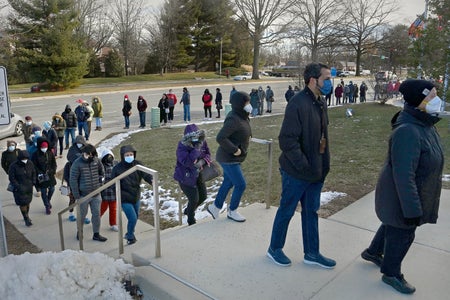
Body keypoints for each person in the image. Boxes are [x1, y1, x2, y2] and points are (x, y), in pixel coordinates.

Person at [361, 79, 444, 294]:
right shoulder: (408, 131)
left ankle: (373, 252)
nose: (437, 100)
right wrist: (412, 210)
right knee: (403, 232)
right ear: (418, 101)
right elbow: (403, 176)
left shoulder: (424, 123)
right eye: (431, 96)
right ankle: (391, 273)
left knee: (392, 224)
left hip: (402, 195)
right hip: (401, 197)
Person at [267, 62, 335, 269]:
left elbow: (322, 136)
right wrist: (304, 165)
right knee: (286, 211)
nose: (329, 82)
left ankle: (312, 253)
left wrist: (323, 165)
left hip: (316, 171)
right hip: (296, 172)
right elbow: (287, 140)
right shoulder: (298, 103)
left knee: (311, 212)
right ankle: (275, 249)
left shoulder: (320, 102)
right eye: (326, 79)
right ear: (313, 80)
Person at [207, 91, 252, 222]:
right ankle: (232, 211)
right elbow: (220, 137)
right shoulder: (234, 119)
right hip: (228, 158)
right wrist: (235, 150)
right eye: (247, 102)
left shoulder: (242, 115)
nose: (249, 105)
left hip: (233, 158)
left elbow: (243, 130)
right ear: (240, 104)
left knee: (229, 181)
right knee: (240, 184)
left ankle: (215, 207)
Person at [112, 145, 153, 245]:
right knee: (133, 218)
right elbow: (112, 183)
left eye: (131, 154)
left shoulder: (138, 164)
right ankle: (130, 235)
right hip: (125, 198)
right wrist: (118, 195)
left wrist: (151, 180)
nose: (129, 156)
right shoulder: (117, 169)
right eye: (127, 155)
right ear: (122, 156)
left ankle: (130, 235)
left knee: (135, 217)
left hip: (135, 196)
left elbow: (146, 174)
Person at [173, 124, 211, 225]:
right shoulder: (182, 146)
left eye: (197, 135)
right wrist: (196, 150)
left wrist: (203, 161)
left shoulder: (202, 142)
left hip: (198, 175)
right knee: (194, 199)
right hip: (185, 177)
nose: (195, 139)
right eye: (192, 137)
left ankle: (188, 210)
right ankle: (191, 220)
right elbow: (186, 162)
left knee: (203, 196)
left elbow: (208, 154)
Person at [69, 143, 107, 242]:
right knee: (82, 216)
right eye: (87, 154)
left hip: (96, 194)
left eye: (91, 154)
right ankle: (79, 232)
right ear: (83, 153)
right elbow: (73, 180)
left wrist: (100, 184)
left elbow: (102, 173)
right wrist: (77, 195)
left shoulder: (96, 161)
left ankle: (96, 234)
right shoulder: (77, 163)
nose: (89, 156)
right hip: (83, 195)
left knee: (96, 215)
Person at [8, 150, 38, 227]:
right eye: (23, 159)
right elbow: (12, 178)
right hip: (20, 189)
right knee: (22, 203)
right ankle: (26, 218)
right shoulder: (13, 166)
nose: (25, 160)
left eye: (26, 158)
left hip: (28, 187)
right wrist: (18, 186)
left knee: (28, 202)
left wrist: (33, 181)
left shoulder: (30, 163)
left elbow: (34, 172)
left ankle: (27, 215)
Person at [65, 135, 89, 223]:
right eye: (78, 143)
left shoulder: (86, 149)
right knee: (73, 198)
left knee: (83, 200)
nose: (79, 144)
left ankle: (84, 216)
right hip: (73, 180)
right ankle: (71, 214)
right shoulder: (72, 150)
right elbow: (70, 158)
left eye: (81, 143)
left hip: (83, 179)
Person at [31, 139, 57, 215]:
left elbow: (53, 163)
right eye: (43, 147)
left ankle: (48, 201)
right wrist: (39, 172)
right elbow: (34, 165)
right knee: (43, 191)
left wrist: (53, 170)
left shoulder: (50, 153)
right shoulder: (35, 154)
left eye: (45, 147)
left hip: (50, 174)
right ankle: (47, 205)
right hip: (41, 175)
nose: (44, 148)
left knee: (52, 189)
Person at [100, 149, 118, 232]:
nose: (109, 158)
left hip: (113, 192)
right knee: (103, 208)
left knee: (113, 209)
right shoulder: (101, 166)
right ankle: (96, 218)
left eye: (110, 156)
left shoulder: (115, 165)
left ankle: (113, 224)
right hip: (105, 192)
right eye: (107, 157)